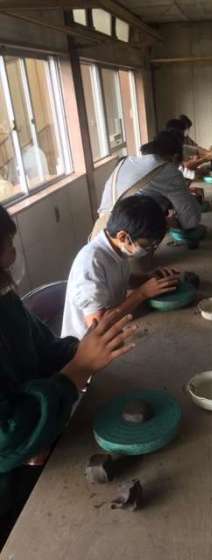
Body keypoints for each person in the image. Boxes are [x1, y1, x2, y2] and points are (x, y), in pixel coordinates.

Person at [0, 204, 137, 542]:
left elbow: (43, 349)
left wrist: (85, 348)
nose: (13, 255)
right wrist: (76, 371)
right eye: (6, 247)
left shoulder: (5, 299)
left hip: (41, 450)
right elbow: (7, 435)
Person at [62, 196, 179, 340]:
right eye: (146, 245)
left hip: (112, 330)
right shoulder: (91, 263)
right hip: (83, 345)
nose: (149, 250)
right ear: (123, 236)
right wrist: (142, 293)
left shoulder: (116, 248)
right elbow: (97, 326)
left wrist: (148, 279)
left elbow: (119, 279)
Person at [98, 130, 201, 231]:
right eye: (179, 165)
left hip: (103, 227)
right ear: (175, 157)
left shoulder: (126, 161)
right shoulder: (167, 169)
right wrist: (172, 221)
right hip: (129, 233)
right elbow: (191, 219)